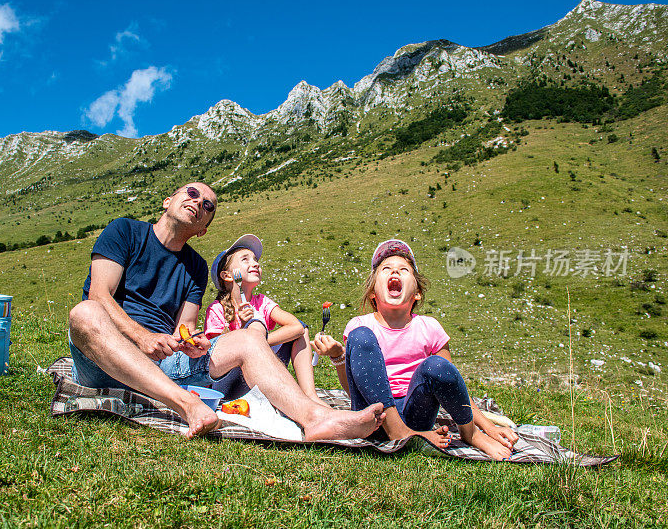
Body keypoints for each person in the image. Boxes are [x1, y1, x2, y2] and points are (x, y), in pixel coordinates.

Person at [67, 182, 385, 439]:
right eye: (192, 193)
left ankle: (315, 418)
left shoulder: (195, 267)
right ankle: (186, 405)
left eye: (208, 205)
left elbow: (185, 328)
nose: (199, 202)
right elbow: (99, 294)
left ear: (204, 228)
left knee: (248, 339)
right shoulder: (124, 232)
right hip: (104, 357)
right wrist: (143, 337)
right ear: (167, 201)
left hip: (161, 362)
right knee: (84, 313)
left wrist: (192, 343)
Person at [312, 239, 518, 459]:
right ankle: (399, 432)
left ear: (417, 292)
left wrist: (487, 427)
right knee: (360, 337)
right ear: (373, 292)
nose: (395, 272)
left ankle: (470, 434)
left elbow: (452, 387)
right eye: (386, 269)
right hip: (372, 417)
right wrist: (338, 356)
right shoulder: (359, 326)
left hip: (416, 415)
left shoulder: (429, 327)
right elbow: (353, 387)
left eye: (403, 270)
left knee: (438, 366)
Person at [204, 234, 325, 405]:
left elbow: (297, 327)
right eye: (245, 260)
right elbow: (215, 355)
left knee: (302, 329)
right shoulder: (217, 309)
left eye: (255, 260)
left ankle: (310, 396)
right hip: (227, 387)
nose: (255, 263)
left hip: (261, 377)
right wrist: (243, 336)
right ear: (227, 275)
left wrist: (258, 342)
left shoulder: (262, 302)